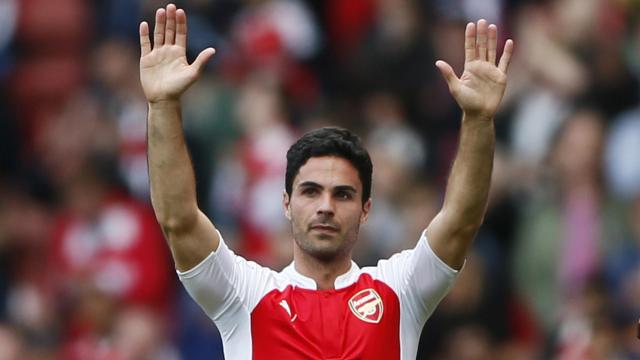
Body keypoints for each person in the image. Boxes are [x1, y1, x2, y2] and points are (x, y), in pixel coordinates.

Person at [139, 4, 513, 359]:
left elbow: (462, 220)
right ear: (286, 203)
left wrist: (478, 119)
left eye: (343, 194)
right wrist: (162, 106)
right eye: (310, 191)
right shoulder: (245, 295)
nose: (325, 206)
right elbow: (178, 219)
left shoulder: (400, 291)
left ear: (366, 210)